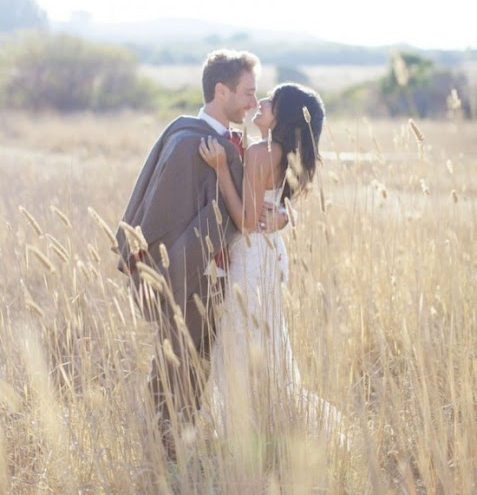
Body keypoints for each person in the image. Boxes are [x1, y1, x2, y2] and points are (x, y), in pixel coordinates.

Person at [115, 49, 286, 440]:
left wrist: (281, 215)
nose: (252, 101)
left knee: (203, 362)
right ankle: (162, 446)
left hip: (229, 274)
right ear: (221, 91)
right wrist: (172, 264)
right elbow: (158, 209)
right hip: (189, 270)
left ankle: (183, 441)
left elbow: (250, 204)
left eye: (255, 93)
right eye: (246, 92)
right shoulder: (186, 139)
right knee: (176, 358)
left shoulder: (238, 142)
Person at [199, 83, 341, 439]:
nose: (261, 102)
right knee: (263, 341)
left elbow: (246, 220)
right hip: (270, 252)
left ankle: (245, 432)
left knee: (239, 341)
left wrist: (219, 169)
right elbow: (273, 205)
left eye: (271, 102)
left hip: (251, 254)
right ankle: (269, 427)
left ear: (283, 116)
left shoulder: (262, 153)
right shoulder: (282, 154)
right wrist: (283, 213)